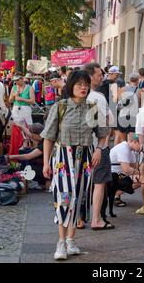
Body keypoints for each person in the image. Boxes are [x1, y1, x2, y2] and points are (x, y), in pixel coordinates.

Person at [42, 71, 110, 261]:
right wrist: (46, 162)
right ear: (71, 86)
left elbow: (103, 133)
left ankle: (71, 239)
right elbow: (48, 137)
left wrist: (98, 149)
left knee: (79, 198)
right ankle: (61, 242)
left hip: (86, 158)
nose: (83, 87)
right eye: (79, 84)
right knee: (64, 199)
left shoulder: (93, 108)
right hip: (64, 158)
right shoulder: (60, 107)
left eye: (86, 84)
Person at [83, 63, 115, 230]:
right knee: (99, 183)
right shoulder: (98, 97)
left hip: (79, 147)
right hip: (97, 146)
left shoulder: (74, 97)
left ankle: (80, 218)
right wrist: (102, 147)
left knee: (80, 183)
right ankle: (96, 219)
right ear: (90, 77)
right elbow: (103, 125)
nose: (101, 77)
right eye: (98, 74)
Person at [7, 123, 47, 190]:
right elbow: (29, 133)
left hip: (46, 169)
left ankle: (35, 182)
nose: (30, 136)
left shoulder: (44, 144)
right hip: (43, 165)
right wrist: (19, 125)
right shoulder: (42, 138)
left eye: (32, 135)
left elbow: (28, 156)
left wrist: (11, 157)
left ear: (37, 135)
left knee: (26, 167)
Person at [110, 133, 142, 207]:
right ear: (134, 142)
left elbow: (136, 166)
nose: (142, 146)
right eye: (140, 144)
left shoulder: (131, 150)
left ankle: (116, 194)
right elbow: (126, 169)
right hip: (111, 177)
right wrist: (142, 173)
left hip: (118, 175)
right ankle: (115, 194)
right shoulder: (123, 148)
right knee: (143, 179)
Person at [116, 72, 140, 144]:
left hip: (122, 116)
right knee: (133, 140)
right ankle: (132, 154)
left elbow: (118, 101)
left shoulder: (122, 89)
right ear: (137, 80)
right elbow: (141, 105)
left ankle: (122, 154)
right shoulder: (140, 91)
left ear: (129, 80)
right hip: (134, 117)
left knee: (123, 141)